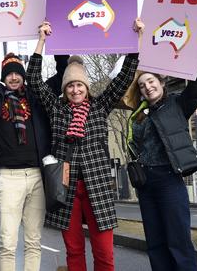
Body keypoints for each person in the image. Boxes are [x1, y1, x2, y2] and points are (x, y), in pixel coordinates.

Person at [27, 21, 141, 271]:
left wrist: (136, 43)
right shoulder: (56, 109)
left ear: (86, 87)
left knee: (104, 254)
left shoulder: (100, 107)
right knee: (74, 252)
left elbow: (123, 79)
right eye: (70, 86)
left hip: (97, 186)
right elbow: (33, 80)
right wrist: (41, 41)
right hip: (65, 189)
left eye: (79, 85)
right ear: (65, 90)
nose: (75, 89)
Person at [0, 25, 67, 271]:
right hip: (9, 178)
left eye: (17, 73)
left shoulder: (37, 96)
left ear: (23, 75)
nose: (14, 77)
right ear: (3, 77)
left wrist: (56, 36)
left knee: (34, 241)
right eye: (9, 74)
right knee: (7, 243)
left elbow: (61, 73)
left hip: (39, 177)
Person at [127, 17, 197, 271]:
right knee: (156, 245)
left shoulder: (178, 105)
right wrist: (137, 39)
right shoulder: (137, 114)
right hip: (146, 186)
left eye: (151, 81)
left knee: (178, 243)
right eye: (142, 84)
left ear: (161, 83)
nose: (147, 87)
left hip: (170, 181)